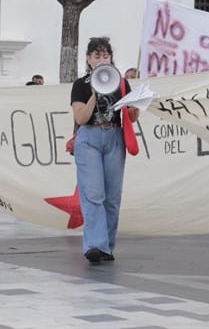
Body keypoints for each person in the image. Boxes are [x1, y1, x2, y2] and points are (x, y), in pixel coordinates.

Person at [70, 37, 139, 264]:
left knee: (111, 196)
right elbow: (80, 117)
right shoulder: (81, 85)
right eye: (97, 55)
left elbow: (131, 116)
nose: (101, 59)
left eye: (105, 55)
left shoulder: (120, 83)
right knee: (93, 193)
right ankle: (94, 245)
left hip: (114, 137)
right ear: (88, 60)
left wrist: (135, 107)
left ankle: (107, 247)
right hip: (89, 137)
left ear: (111, 58)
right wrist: (95, 92)